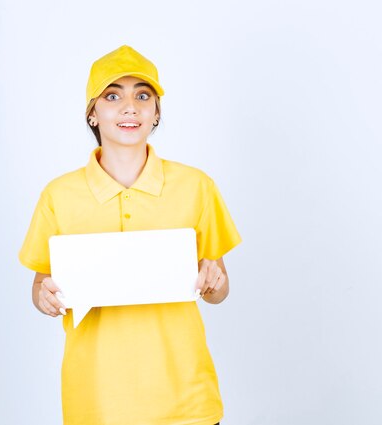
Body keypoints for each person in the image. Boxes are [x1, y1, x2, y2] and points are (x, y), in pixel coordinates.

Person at [18, 45, 241, 425]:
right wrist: (44, 297)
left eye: (143, 95)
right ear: (93, 113)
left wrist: (214, 281)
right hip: (96, 402)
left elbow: (218, 289)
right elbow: (42, 285)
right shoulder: (59, 195)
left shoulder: (195, 186)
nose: (130, 107)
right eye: (112, 96)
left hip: (186, 401)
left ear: (156, 113)